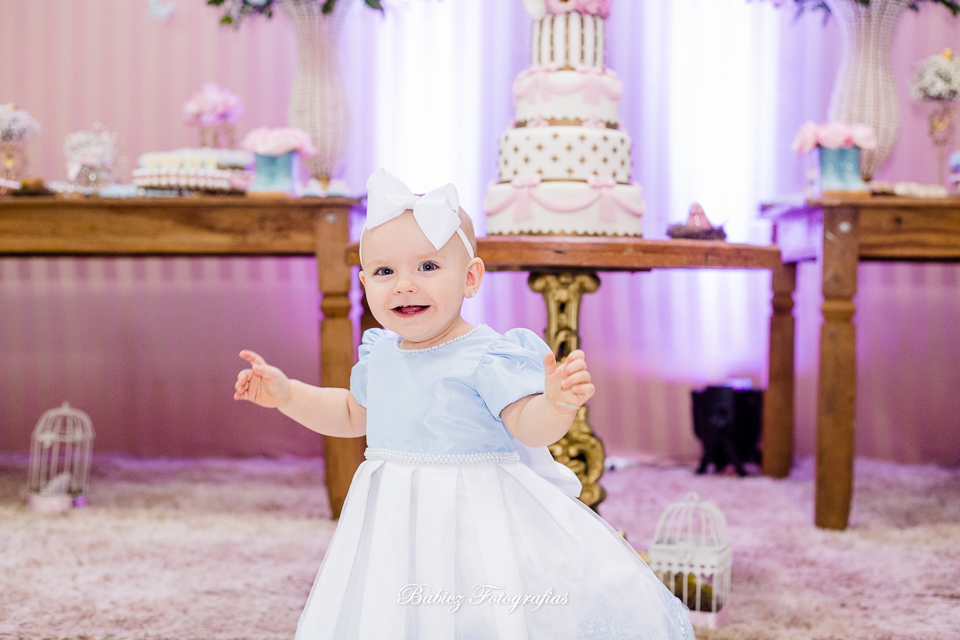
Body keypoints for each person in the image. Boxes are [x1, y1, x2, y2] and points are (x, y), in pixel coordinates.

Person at [234, 168, 694, 640]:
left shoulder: (487, 355)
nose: (404, 285)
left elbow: (528, 428)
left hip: (473, 518)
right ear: (365, 281)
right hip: (396, 519)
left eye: (428, 267)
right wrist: (288, 394)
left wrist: (556, 404)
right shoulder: (380, 354)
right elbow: (352, 414)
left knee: (479, 610)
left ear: (470, 277)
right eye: (385, 271)